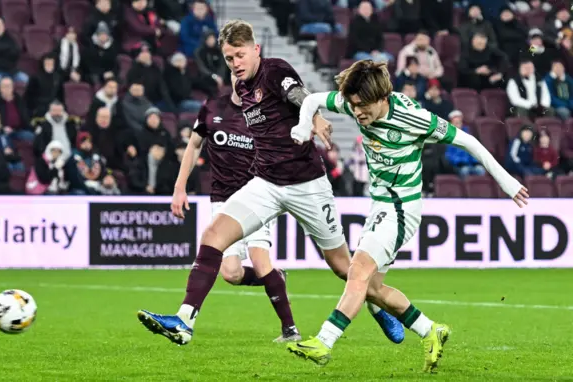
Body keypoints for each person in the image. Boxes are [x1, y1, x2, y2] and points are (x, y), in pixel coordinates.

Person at [137, 20, 405, 347]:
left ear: (256, 50)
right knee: (212, 236)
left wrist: (316, 117)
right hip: (265, 183)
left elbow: (298, 95)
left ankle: (379, 307)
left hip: (306, 183)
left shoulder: (275, 70)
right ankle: (184, 321)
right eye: (229, 58)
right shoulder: (241, 90)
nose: (235, 63)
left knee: (342, 267)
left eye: (240, 55)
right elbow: (197, 143)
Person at [286, 60, 529, 371]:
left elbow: (469, 141)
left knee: (357, 270)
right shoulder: (355, 102)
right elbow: (311, 99)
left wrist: (507, 182)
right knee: (372, 289)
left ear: (382, 97)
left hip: (402, 208)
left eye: (362, 106)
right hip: (380, 204)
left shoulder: (413, 117)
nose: (357, 112)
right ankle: (431, 330)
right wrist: (304, 124)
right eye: (352, 105)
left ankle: (324, 341)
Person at [170, 73, 300, 342]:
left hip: (257, 198)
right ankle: (276, 279)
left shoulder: (264, 114)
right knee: (231, 273)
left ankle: (290, 330)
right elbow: (194, 146)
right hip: (222, 201)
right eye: (235, 73)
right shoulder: (212, 107)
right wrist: (179, 187)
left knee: (259, 259)